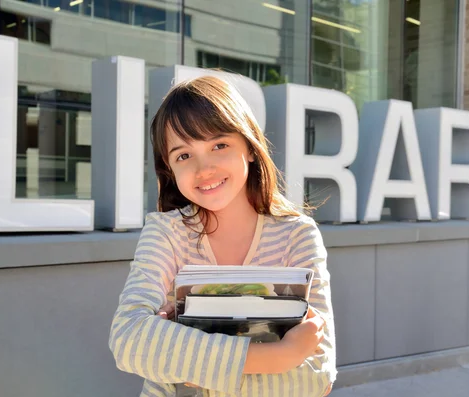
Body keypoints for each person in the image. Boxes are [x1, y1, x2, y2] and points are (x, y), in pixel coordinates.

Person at [108, 75, 336, 397]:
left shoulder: (295, 234)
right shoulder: (166, 232)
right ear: (169, 169)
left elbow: (316, 377)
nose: (204, 169)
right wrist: (280, 355)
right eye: (184, 155)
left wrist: (189, 361)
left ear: (251, 147)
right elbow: (128, 339)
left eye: (219, 145)